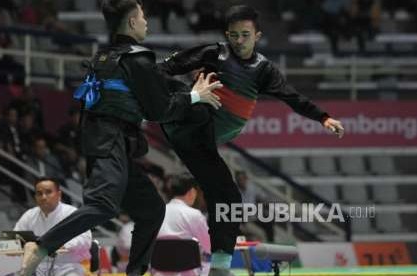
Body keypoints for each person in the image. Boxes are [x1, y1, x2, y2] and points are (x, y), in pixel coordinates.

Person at [18, 0, 222, 275]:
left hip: (110, 143)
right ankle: (41, 246)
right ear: (131, 22)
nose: (147, 21)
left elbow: (154, 77)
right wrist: (196, 96)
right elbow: (159, 110)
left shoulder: (107, 57)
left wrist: (188, 75)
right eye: (142, 16)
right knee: (102, 205)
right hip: (110, 141)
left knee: (151, 210)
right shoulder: (136, 58)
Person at [160, 5, 344, 275]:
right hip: (185, 122)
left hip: (203, 144)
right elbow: (163, 68)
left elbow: (291, 96)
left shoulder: (263, 69)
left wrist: (323, 118)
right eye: (234, 35)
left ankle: (219, 267)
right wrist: (187, 94)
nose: (239, 41)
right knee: (200, 104)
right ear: (227, 34)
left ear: (257, 35)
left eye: (245, 35)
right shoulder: (214, 53)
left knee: (230, 200)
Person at [14, 178, 92, 276]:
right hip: (38, 266)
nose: (43, 197)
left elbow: (85, 239)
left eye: (48, 192)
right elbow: (15, 237)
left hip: (69, 265)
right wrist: (14, 247)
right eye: (39, 193)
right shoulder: (30, 215)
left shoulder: (72, 213)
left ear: (59, 195)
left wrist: (62, 244)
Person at [158, 175, 211, 275]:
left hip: (158, 271)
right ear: (192, 192)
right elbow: (209, 246)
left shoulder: (157, 213)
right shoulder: (194, 215)